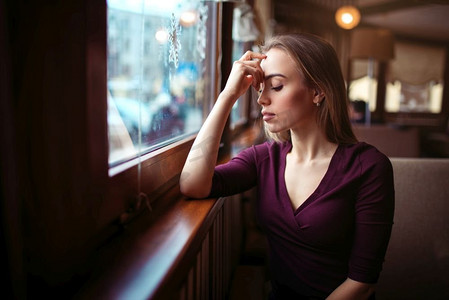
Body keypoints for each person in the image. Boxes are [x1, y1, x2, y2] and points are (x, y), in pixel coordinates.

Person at [180, 33, 394, 300]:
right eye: (260, 89)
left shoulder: (370, 168)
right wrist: (227, 96)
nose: (261, 100)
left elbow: (362, 283)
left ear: (318, 91)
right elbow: (192, 184)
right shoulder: (264, 159)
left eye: (277, 86)